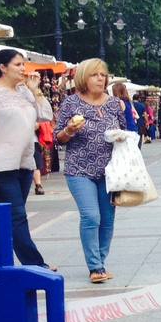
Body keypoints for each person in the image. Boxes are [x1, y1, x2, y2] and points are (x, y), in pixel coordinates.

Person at [0, 49, 51, 269]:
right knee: (17, 216)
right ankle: (35, 264)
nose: (23, 69)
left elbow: (45, 116)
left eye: (24, 65)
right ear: (3, 67)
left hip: (24, 161)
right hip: (0, 162)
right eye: (18, 64)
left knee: (10, 219)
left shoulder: (24, 92)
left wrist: (35, 90)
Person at [54, 59, 127, 284]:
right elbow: (58, 138)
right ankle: (95, 266)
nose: (100, 78)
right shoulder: (71, 103)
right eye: (95, 74)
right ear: (84, 78)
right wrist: (69, 130)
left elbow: (124, 132)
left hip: (110, 171)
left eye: (103, 75)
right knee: (91, 216)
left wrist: (121, 136)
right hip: (79, 169)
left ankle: (100, 262)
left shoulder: (114, 104)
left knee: (107, 219)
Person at [26, 71, 54, 195]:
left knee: (35, 163)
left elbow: (46, 115)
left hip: (31, 140)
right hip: (11, 146)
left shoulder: (32, 96)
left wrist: (35, 89)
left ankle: (38, 184)